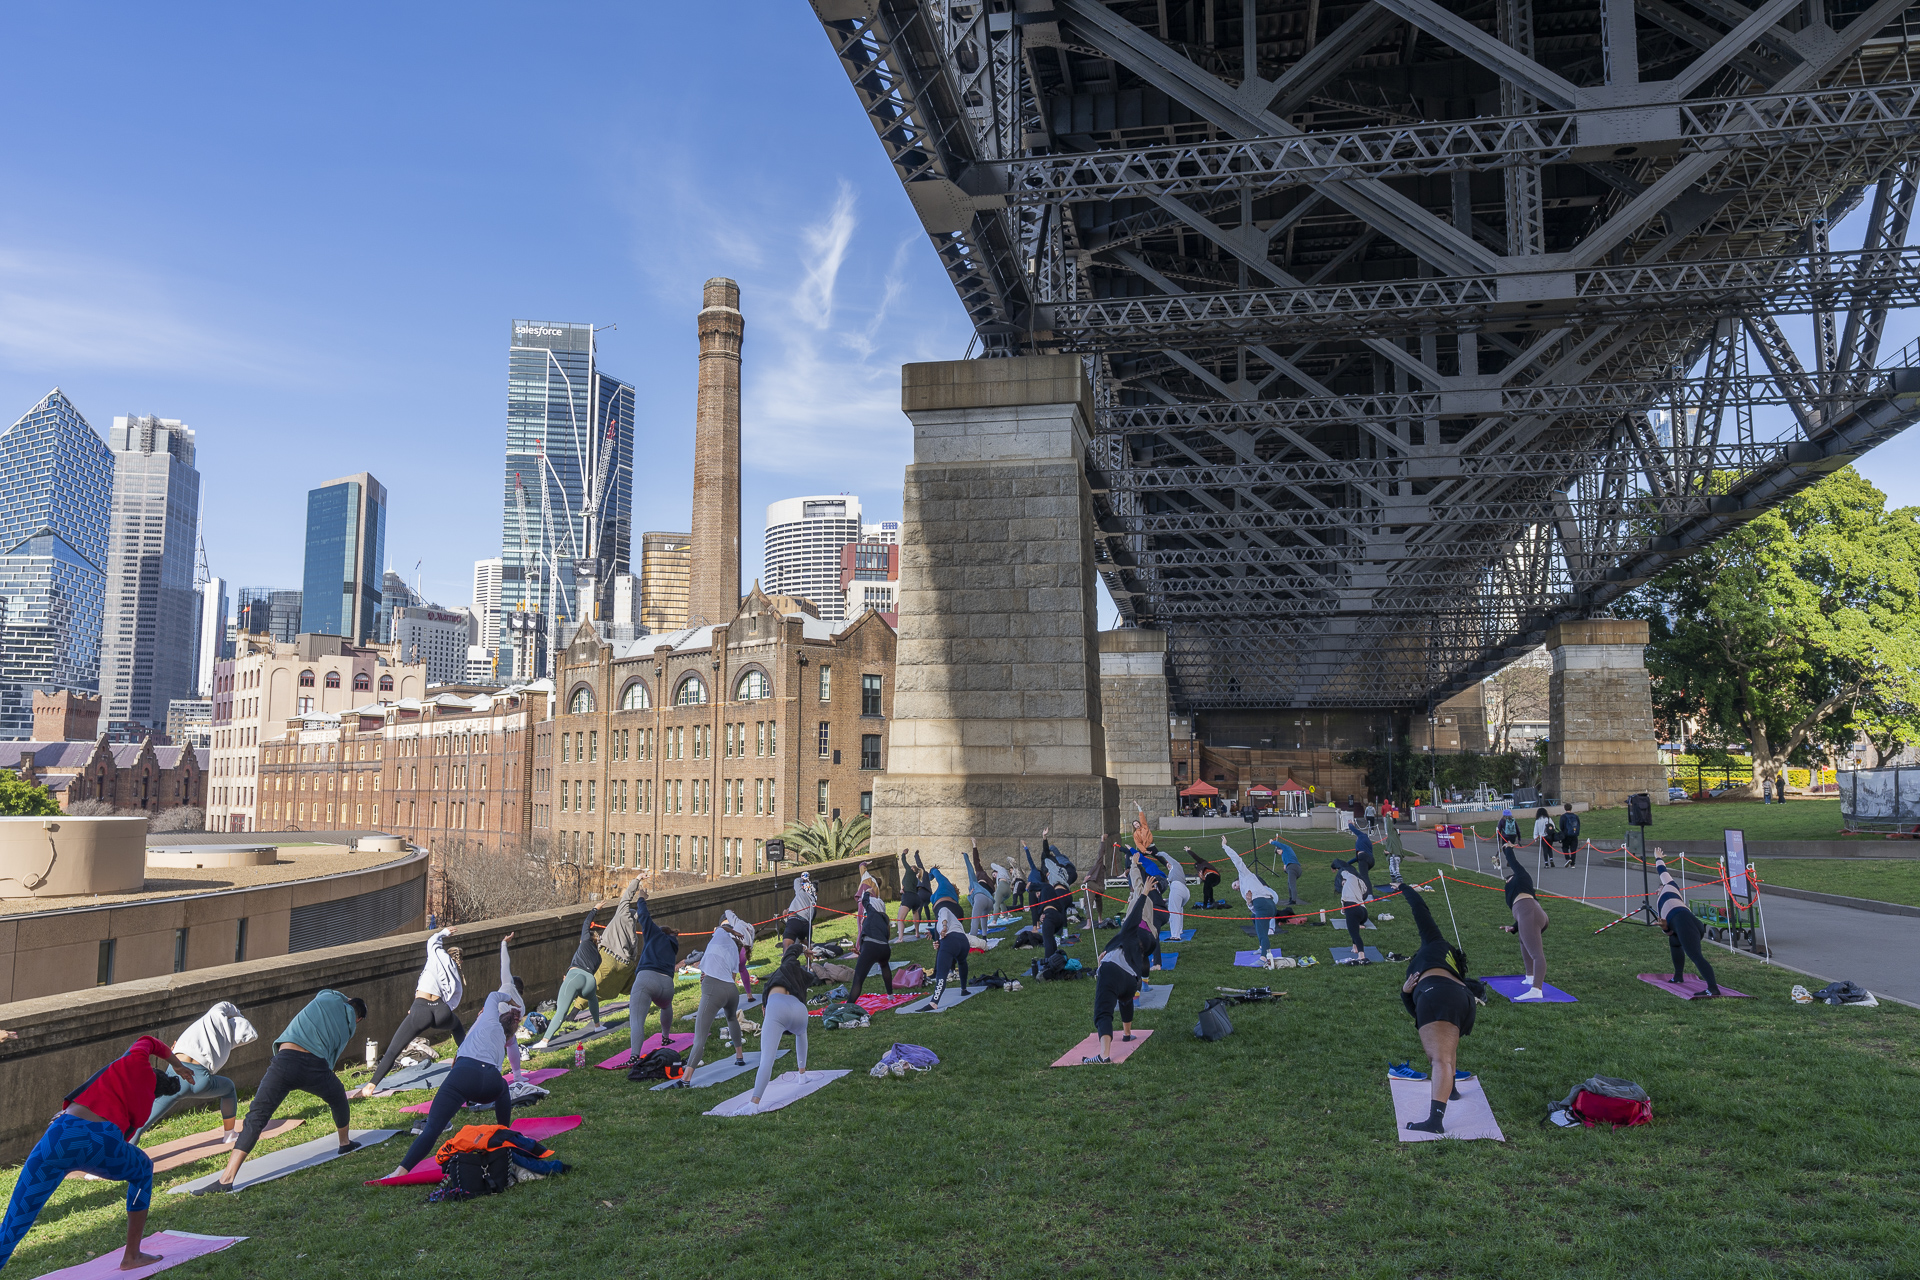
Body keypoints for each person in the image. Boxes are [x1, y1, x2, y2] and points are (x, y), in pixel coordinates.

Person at [0, 1035, 192, 1271]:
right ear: (157, 1092)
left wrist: (176, 1063)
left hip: (58, 1135)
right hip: (100, 1141)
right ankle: (132, 1256)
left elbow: (148, 1041)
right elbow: (121, 1138)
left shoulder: (134, 1060)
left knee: (15, 1221)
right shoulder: (145, 1106)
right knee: (143, 1170)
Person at [194, 989, 369, 1194]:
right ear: (358, 1019)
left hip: (285, 1061)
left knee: (256, 1117)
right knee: (338, 1096)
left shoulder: (328, 997)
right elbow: (331, 1056)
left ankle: (226, 1178)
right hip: (316, 1066)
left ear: (348, 999)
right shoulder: (349, 1028)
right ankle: (344, 1142)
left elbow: (327, 991)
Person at [383, 935, 526, 1178]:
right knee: (503, 1087)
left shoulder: (489, 1017)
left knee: (432, 1129)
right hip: (490, 1082)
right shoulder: (505, 1039)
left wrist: (506, 998)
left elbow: (493, 995)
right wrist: (517, 1006)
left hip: (464, 1077)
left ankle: (398, 1172)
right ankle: (504, 1133)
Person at [1396, 882, 1484, 1134]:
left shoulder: (1435, 942)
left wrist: (1404, 886)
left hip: (1437, 996)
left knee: (1439, 1058)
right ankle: (1451, 1088)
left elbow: (1420, 910)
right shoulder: (1453, 961)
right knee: (1444, 1052)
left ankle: (1435, 1122)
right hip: (1462, 999)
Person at [133, 1001, 257, 1144]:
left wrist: (238, 1014)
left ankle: (121, 1158)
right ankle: (229, 1135)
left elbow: (225, 1005)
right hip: (200, 1080)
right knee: (228, 1088)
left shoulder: (209, 1019)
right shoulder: (224, 1047)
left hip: (175, 1078)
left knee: (140, 1125)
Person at [360, 926, 465, 1091]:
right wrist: (443, 1010)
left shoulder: (436, 956)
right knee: (457, 1026)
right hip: (441, 1011)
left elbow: (432, 941)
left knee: (394, 1049)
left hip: (421, 1010)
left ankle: (371, 1086)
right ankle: (466, 1060)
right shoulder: (455, 974)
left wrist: (444, 932)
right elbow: (455, 999)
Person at [1084, 857, 1155, 1063]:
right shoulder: (1140, 952)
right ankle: (1126, 1033)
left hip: (1111, 971)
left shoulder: (1128, 934)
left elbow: (1133, 917)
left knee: (1103, 1011)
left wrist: (1143, 893)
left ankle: (1104, 1055)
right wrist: (1107, 950)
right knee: (1125, 999)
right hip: (1131, 980)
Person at [675, 911, 755, 1085]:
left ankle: (686, 1079)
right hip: (731, 991)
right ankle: (739, 1056)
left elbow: (721, 927)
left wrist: (731, 930)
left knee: (700, 1038)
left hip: (713, 990)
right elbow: (732, 978)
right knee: (732, 1018)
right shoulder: (735, 951)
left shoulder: (720, 937)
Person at [747, 920, 814, 1109]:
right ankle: (802, 1075)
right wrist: (804, 949)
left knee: (767, 1058)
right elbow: (794, 953)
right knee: (801, 1034)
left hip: (777, 1008)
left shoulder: (784, 969)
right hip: (800, 1011)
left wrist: (800, 947)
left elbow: (791, 951)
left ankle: (754, 1103)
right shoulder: (799, 975)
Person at [530, 905, 610, 1051]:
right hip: (589, 981)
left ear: (588, 938)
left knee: (561, 1010)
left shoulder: (585, 940)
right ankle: (597, 1026)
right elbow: (589, 971)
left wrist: (595, 909)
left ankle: (545, 1040)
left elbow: (586, 923)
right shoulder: (598, 957)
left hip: (576, 977)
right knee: (592, 999)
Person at [1653, 849, 1722, 996]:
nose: (1657, 889)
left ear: (1662, 887)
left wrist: (1658, 858)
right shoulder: (1661, 903)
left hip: (1686, 922)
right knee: (1674, 940)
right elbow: (1668, 930)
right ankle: (1678, 977)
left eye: (1659, 887)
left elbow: (1662, 871)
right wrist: (1664, 927)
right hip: (1686, 923)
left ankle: (1713, 989)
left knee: (1696, 956)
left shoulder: (1669, 885)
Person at [627, 887, 680, 1061]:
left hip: (647, 979)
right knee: (666, 1006)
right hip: (667, 986)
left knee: (637, 1020)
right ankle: (665, 1036)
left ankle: (634, 1056)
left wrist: (641, 898)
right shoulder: (673, 945)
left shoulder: (654, 934)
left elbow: (644, 916)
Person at [1496, 847, 1551, 1000]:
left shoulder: (1522, 876)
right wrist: (1514, 926)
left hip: (1531, 912)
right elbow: (1523, 914)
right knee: (1523, 940)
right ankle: (1530, 977)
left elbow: (1514, 863)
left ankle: (1537, 989)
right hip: (1530, 914)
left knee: (1536, 954)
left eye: (1509, 878)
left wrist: (1507, 849)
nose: (1507, 880)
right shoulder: (1514, 891)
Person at [1220, 838, 1280, 959]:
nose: (1236, 888)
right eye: (1234, 889)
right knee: (1254, 918)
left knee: (1263, 933)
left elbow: (1236, 859)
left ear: (1237, 880)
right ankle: (1262, 947)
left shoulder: (1245, 875)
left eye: (1235, 885)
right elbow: (1253, 909)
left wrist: (1225, 846)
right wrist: (1248, 902)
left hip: (1265, 903)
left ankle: (1264, 958)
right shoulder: (1244, 892)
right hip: (1266, 905)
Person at [595, 876, 645, 1000]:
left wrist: (637, 879)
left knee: (593, 983)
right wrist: (643, 900)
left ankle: (575, 1009)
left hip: (607, 954)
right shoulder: (633, 934)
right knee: (630, 981)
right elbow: (633, 953)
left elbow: (627, 896)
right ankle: (639, 996)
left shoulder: (622, 914)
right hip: (623, 962)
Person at [848, 880, 895, 999]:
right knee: (885, 966)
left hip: (871, 947)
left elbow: (864, 901)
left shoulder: (871, 911)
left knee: (858, 979)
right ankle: (890, 995)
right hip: (884, 949)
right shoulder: (885, 921)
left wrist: (867, 892)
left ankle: (849, 1006)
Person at [928, 899, 972, 1010]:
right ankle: (964, 989)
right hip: (964, 942)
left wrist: (944, 926)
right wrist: (937, 942)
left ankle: (934, 1002)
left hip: (951, 942)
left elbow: (944, 915)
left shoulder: (942, 910)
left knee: (941, 973)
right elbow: (941, 938)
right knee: (962, 962)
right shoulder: (955, 920)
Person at [1336, 861, 1370, 960]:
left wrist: (1341, 872)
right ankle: (1354, 946)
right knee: (1354, 924)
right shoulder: (1361, 883)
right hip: (1363, 912)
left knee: (1353, 932)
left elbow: (1344, 872)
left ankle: (1361, 954)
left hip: (1352, 908)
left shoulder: (1350, 878)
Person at [965, 841, 996, 935]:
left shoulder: (975, 880)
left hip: (980, 897)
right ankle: (984, 937)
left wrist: (966, 855)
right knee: (983, 916)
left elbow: (972, 865)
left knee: (975, 919)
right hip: (990, 902)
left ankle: (972, 939)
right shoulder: (992, 885)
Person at [896, 849, 926, 940]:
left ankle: (900, 939)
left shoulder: (909, 871)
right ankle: (917, 933)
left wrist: (903, 854)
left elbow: (904, 861)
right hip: (916, 898)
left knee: (900, 919)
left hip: (908, 897)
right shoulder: (915, 878)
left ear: (912, 869)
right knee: (915, 914)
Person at [1163, 848, 1190, 941]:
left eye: (1169, 864)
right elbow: (1174, 894)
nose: (1168, 865)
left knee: (1174, 911)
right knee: (1178, 909)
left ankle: (1175, 935)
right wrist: (1167, 900)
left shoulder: (1176, 866)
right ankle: (1180, 930)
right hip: (1184, 891)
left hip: (1178, 888)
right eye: (1167, 865)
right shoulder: (1172, 873)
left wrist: (1162, 854)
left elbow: (1172, 860)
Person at [1273, 839, 1301, 906]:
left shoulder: (1286, 848)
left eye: (1278, 851)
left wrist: (1271, 842)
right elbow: (1285, 866)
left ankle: (1293, 900)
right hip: (1294, 868)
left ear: (1280, 849)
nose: (1278, 853)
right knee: (1289, 883)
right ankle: (1291, 898)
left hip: (1293, 867)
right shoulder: (1285, 855)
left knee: (1292, 884)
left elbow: (1279, 844)